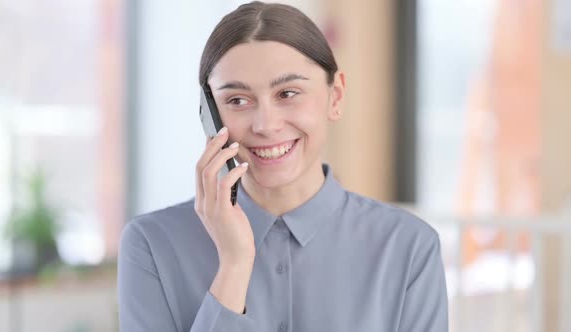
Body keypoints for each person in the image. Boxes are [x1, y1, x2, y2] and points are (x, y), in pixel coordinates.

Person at [117, 2, 448, 331]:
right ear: (209, 114)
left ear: (336, 97)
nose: (266, 124)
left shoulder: (409, 247)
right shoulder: (152, 245)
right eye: (237, 100)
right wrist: (234, 267)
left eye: (288, 93)